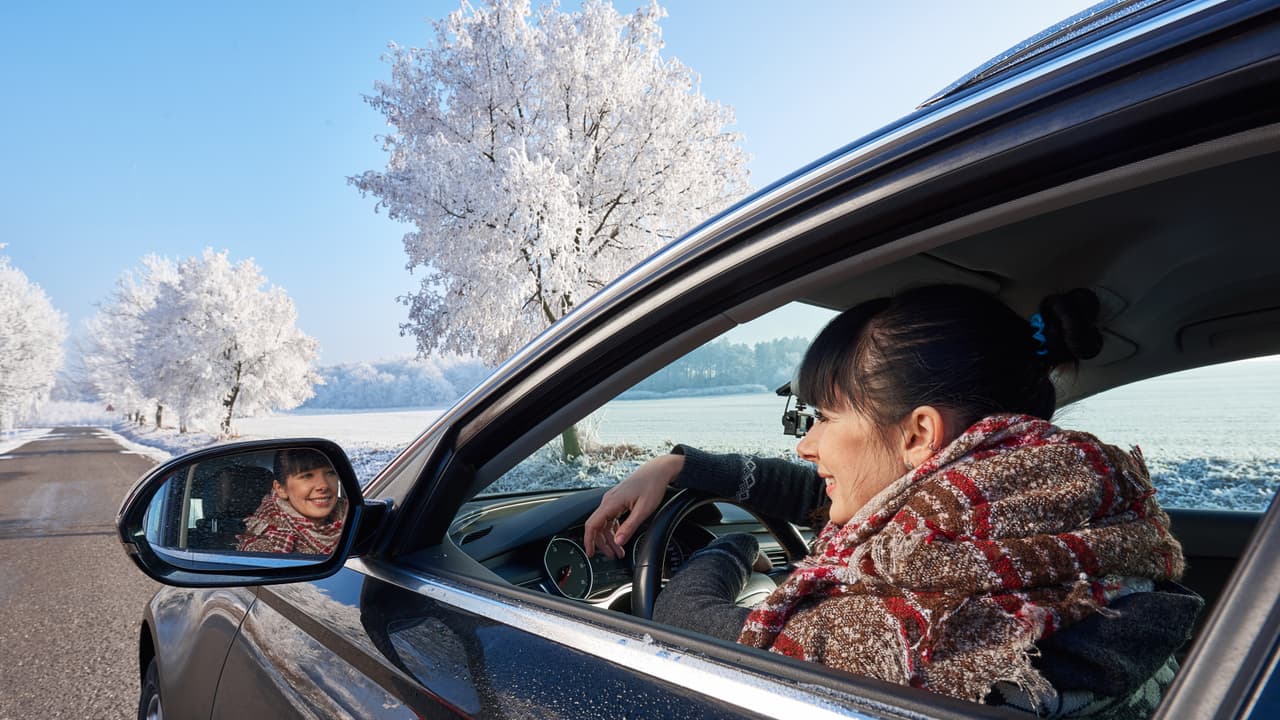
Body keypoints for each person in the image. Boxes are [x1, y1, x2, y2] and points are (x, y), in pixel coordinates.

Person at [583, 284, 1201, 718]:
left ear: (917, 434)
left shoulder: (916, 628)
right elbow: (831, 497)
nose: (809, 446)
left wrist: (731, 548)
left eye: (824, 418)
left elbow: (686, 622)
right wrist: (681, 465)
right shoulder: (1049, 516)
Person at [237, 448, 348, 555]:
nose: (323, 485)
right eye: (307, 476)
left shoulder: (353, 517)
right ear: (281, 489)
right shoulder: (268, 544)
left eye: (330, 473)